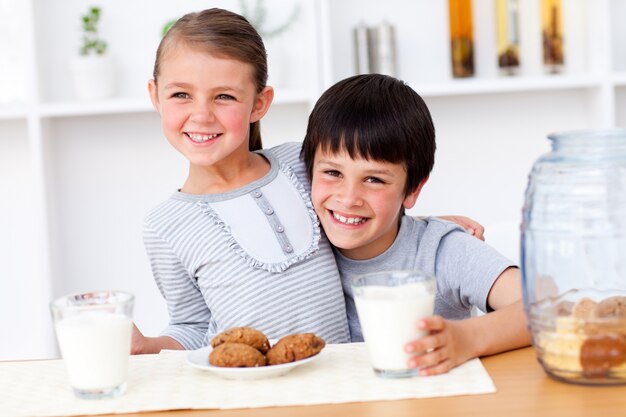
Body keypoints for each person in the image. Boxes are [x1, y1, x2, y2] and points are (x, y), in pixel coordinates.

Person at [132, 8, 485, 355]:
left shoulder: (298, 164)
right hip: (252, 393)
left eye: (224, 96)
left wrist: (423, 229)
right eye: (181, 94)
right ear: (155, 96)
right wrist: (148, 347)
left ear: (259, 103)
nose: (202, 115)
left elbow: (351, 208)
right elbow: (192, 327)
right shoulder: (164, 227)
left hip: (340, 381)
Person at [300, 73, 531, 376]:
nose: (348, 197)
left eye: (374, 179)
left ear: (412, 190)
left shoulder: (443, 251)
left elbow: (546, 309)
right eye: (332, 172)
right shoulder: (300, 243)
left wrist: (467, 339)